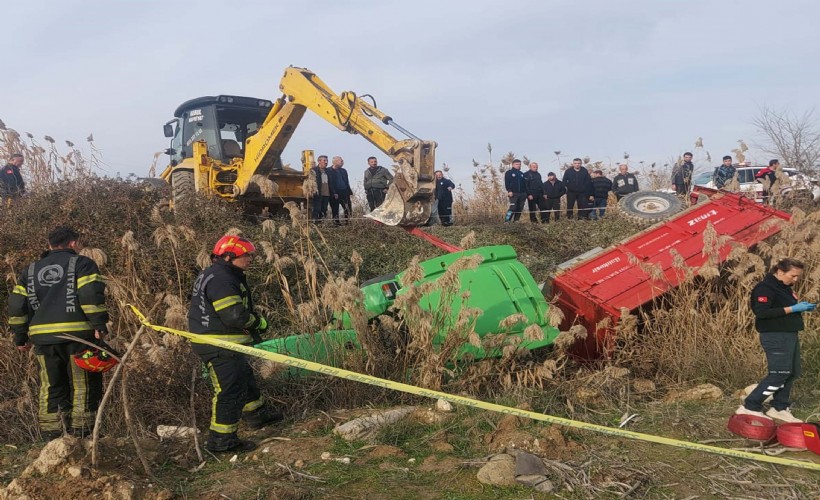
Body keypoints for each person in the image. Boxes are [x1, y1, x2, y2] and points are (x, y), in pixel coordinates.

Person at [7, 226, 108, 440]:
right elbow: (90, 294)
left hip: (43, 340)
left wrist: (20, 336)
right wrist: (99, 325)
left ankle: (52, 436)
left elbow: (16, 305)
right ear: (73, 243)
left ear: (50, 245)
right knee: (83, 383)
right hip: (78, 336)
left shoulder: (30, 270)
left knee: (51, 385)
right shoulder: (82, 263)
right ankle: (82, 435)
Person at [189, 235, 283, 452]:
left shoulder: (217, 273)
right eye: (246, 255)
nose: (250, 259)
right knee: (229, 390)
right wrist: (259, 323)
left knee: (244, 378)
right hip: (220, 345)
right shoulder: (222, 278)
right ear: (229, 257)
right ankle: (222, 440)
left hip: (224, 342)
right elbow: (234, 315)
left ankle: (257, 416)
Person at [737, 258, 815, 423]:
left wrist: (802, 307)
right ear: (780, 272)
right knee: (779, 374)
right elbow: (763, 313)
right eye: (793, 276)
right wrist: (793, 308)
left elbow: (781, 309)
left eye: (798, 276)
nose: (796, 280)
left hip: (789, 334)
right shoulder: (765, 288)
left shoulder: (784, 288)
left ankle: (779, 407)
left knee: (792, 372)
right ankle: (750, 406)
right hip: (775, 335)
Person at [328, 156, 353, 225]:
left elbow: (346, 182)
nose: (343, 162)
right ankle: (336, 223)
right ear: (335, 162)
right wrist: (334, 192)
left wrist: (349, 192)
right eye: (341, 161)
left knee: (348, 208)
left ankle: (348, 222)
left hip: (344, 192)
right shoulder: (329, 171)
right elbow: (330, 183)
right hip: (335, 192)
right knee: (335, 209)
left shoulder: (343, 171)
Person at [310, 155, 330, 222]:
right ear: (319, 161)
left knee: (324, 209)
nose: (326, 162)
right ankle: (314, 223)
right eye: (324, 160)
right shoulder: (314, 170)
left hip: (326, 193)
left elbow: (331, 183)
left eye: (326, 160)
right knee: (316, 209)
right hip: (318, 193)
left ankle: (322, 223)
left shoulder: (328, 171)